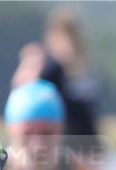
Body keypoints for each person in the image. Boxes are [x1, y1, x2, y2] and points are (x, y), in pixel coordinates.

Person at [12, 7, 101, 140]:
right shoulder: (48, 65)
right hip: (64, 130)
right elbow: (24, 90)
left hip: (80, 131)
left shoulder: (80, 65)